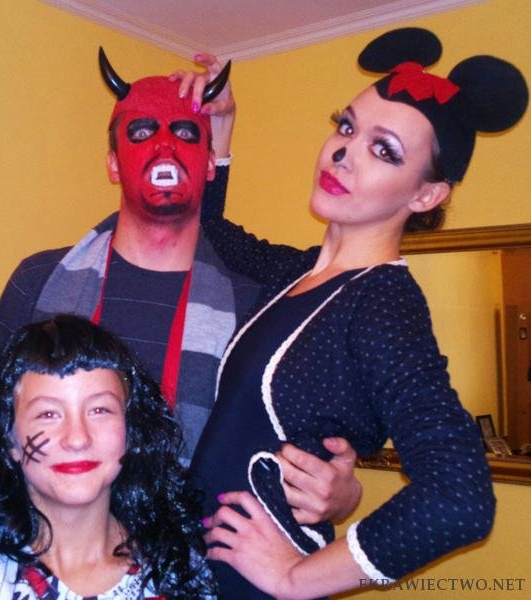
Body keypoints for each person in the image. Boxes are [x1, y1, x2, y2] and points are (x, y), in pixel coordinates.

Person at [191, 28, 528, 598]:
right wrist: (221, 126)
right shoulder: (297, 272)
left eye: (384, 149)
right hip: (200, 565)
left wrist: (296, 579)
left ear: (425, 196)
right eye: (346, 127)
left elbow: (460, 497)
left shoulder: (383, 304)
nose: (342, 152)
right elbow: (209, 232)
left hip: (250, 582)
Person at [0, 50, 362, 522]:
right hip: (49, 548)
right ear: (114, 164)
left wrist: (342, 494)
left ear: (210, 164)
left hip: (193, 553)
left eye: (184, 133)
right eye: (141, 132)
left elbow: (284, 449)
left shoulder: (254, 305)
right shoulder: (38, 281)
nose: (164, 146)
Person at [0, 315, 216, 599]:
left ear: (131, 429)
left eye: (100, 410)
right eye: (48, 414)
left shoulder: (175, 565)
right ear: (10, 440)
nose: (77, 438)